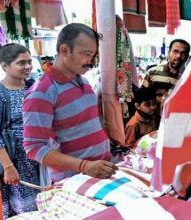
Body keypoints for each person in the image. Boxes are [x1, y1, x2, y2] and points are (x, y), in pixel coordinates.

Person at [23, 23, 117, 183]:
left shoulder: (83, 81)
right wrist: (84, 166)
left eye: (93, 55)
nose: (91, 61)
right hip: (73, 180)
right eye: (86, 54)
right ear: (65, 50)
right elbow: (33, 148)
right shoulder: (43, 92)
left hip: (99, 171)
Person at [0, 43, 40, 219]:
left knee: (45, 201)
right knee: (26, 209)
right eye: (21, 63)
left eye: (30, 61)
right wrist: (8, 167)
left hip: (39, 157)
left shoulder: (32, 86)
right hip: (16, 160)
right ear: (4, 66)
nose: (28, 66)